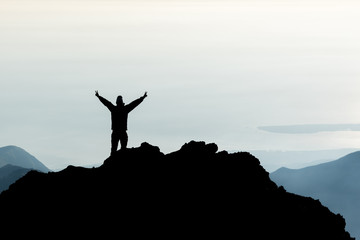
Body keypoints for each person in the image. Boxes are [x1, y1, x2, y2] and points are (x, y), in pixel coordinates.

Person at [95, 90, 147, 155]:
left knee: (115, 149)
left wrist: (98, 96)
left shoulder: (114, 109)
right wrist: (143, 97)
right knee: (120, 150)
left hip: (117, 132)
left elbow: (106, 103)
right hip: (120, 132)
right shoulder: (124, 109)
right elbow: (134, 103)